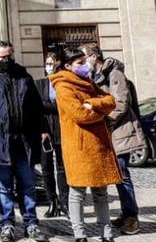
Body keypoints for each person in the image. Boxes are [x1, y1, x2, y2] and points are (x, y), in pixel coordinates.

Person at [0, 41, 51, 242]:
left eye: (10, 55)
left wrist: (42, 130)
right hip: (0, 142)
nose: (7, 59)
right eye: (3, 57)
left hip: (24, 142)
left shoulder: (24, 77)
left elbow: (36, 108)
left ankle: (31, 224)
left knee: (28, 184)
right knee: (4, 187)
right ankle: (7, 224)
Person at [52, 47, 121, 242]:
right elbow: (80, 115)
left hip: (98, 145)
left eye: (84, 61)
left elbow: (111, 101)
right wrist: (99, 109)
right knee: (78, 192)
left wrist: (95, 105)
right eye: (80, 63)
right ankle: (80, 235)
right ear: (67, 66)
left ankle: (106, 235)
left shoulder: (88, 82)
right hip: (79, 147)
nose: (85, 66)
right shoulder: (64, 86)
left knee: (101, 192)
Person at [84, 43, 144, 236]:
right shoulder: (94, 75)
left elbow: (120, 105)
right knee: (116, 176)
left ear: (94, 57)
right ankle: (127, 213)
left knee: (122, 176)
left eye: (85, 58)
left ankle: (132, 217)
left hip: (118, 132)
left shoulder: (114, 73)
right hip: (107, 134)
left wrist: (100, 119)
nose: (84, 63)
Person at [36, 51, 69, 219]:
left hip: (63, 130)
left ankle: (65, 203)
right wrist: (42, 130)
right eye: (47, 63)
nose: (49, 66)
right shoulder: (39, 84)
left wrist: (47, 105)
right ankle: (52, 202)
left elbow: (67, 105)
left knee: (63, 168)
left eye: (52, 63)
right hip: (45, 131)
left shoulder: (63, 82)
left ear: (58, 64)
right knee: (47, 168)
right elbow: (35, 108)